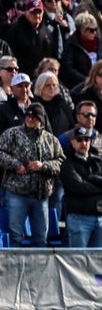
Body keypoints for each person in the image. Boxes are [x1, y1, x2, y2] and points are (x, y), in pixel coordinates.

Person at [0, 102, 64, 248]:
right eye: (28, 116)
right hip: (17, 193)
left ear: (41, 120)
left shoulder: (51, 140)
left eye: (34, 117)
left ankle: (39, 270)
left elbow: (60, 161)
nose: (30, 120)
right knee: (15, 236)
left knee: (41, 238)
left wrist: (44, 166)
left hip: (41, 196)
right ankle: (15, 269)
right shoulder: (12, 134)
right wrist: (16, 165)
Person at [60, 126, 102, 247]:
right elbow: (78, 187)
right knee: (78, 262)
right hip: (80, 219)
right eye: (79, 140)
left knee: (99, 262)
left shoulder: (98, 161)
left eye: (86, 140)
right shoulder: (67, 164)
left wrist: (95, 179)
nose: (83, 143)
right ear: (72, 142)